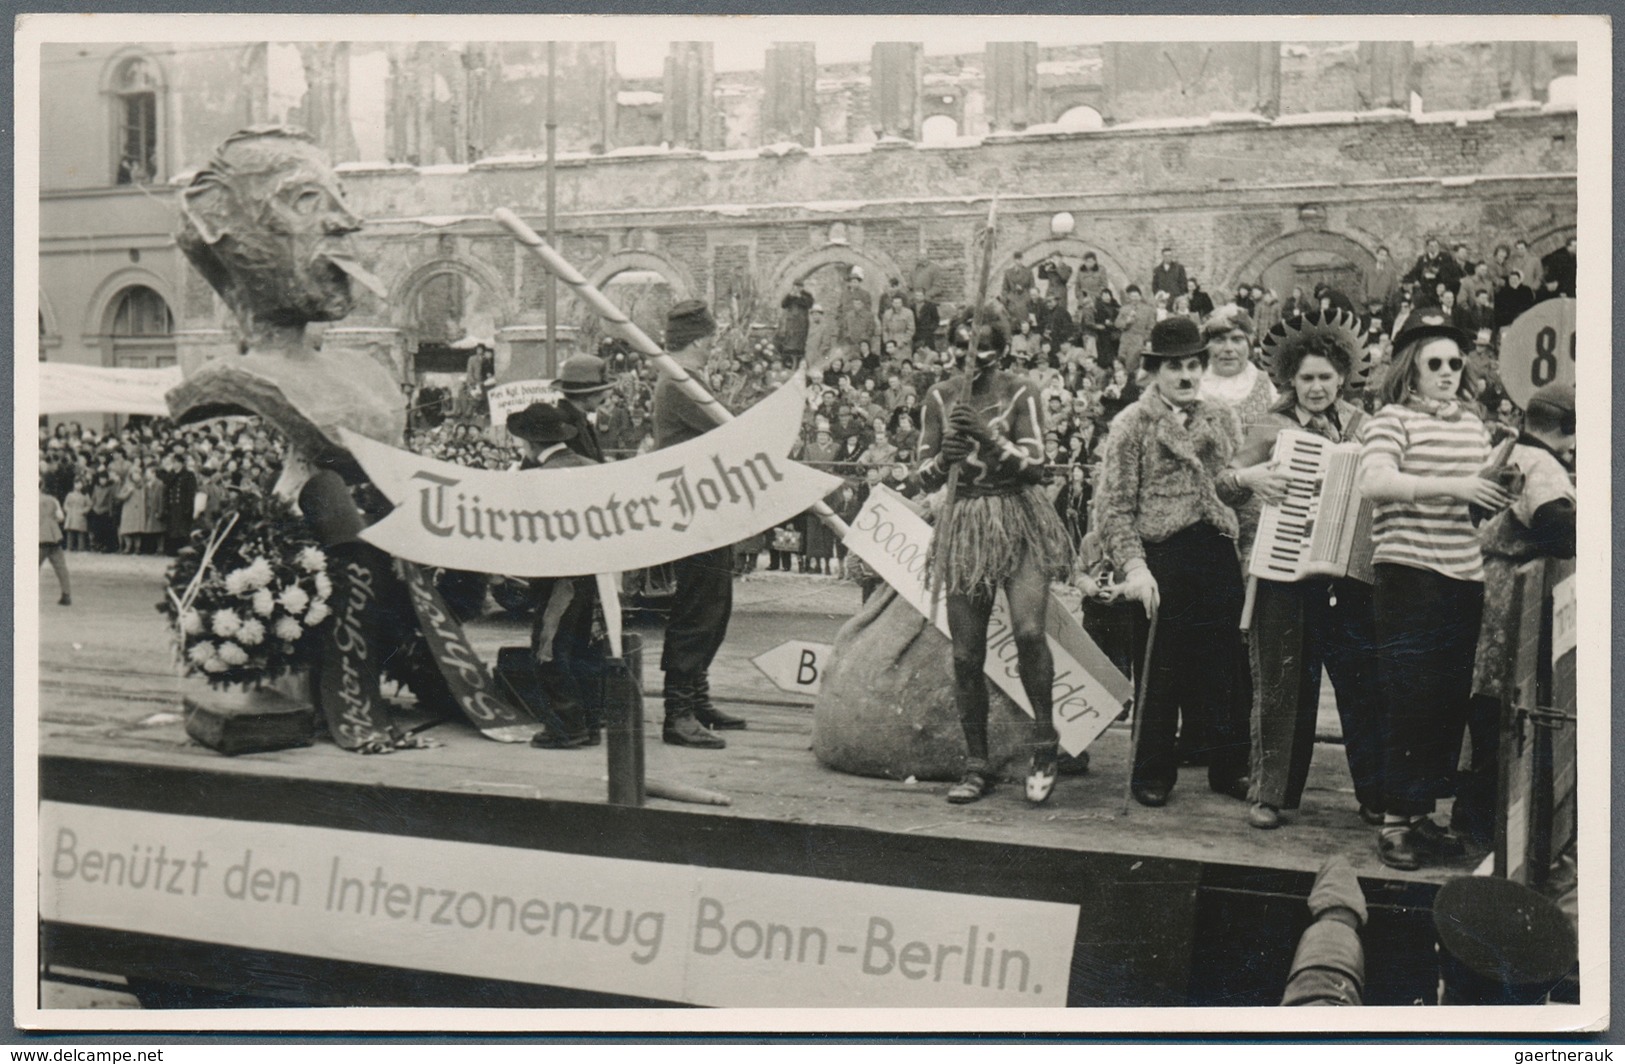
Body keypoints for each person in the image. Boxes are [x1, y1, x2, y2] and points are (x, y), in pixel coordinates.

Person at [1357, 309, 1511, 871]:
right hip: (1409, 574)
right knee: (1410, 697)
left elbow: (1476, 498)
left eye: (1455, 362)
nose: (1448, 371)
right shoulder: (1391, 420)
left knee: (1448, 704)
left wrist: (1496, 489)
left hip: (1464, 574)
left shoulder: (1472, 424)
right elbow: (1375, 481)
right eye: (1435, 363)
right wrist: (1457, 486)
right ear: (1411, 369)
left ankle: (1421, 818)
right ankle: (1395, 823)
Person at [1094, 316, 1265, 807]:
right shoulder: (1133, 424)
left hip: (1215, 548)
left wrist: (1249, 554)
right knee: (1160, 670)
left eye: (1194, 365)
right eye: (1175, 368)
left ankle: (1230, 765)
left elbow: (1243, 495)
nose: (1186, 376)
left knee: (1227, 667)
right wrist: (1135, 568)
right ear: (1155, 372)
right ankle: (1152, 771)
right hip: (1161, 555)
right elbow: (1116, 505)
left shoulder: (1221, 418)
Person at [915, 311, 1074, 805]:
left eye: (981, 348)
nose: (970, 359)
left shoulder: (1020, 391)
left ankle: (1045, 744)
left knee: (1029, 631)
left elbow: (1036, 466)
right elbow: (923, 473)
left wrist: (986, 437)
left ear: (1000, 351)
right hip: (965, 522)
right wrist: (946, 457)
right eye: (961, 347)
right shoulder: (939, 396)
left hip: (1018, 517)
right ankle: (976, 762)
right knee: (966, 654)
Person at [1242, 310, 1383, 830]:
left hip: (1350, 575)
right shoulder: (1271, 426)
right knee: (1281, 684)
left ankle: (1374, 792)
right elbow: (1224, 482)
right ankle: (1270, 793)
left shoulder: (1366, 425)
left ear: (1343, 377)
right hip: (1286, 572)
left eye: (1326, 376)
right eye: (1307, 378)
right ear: (1290, 380)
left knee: (1362, 684)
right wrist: (1250, 476)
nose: (1318, 387)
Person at [1455, 382, 1576, 847]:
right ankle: (1488, 823)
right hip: (1512, 593)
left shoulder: (1508, 447)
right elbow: (1559, 529)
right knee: (1504, 704)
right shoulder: (1541, 463)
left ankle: (1474, 815)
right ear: (1567, 427)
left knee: (1489, 701)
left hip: (1492, 580)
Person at [653, 300, 748, 747]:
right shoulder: (680, 385)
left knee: (715, 605)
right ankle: (678, 712)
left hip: (708, 509)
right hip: (693, 510)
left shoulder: (687, 381)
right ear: (695, 339)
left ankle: (696, 697)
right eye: (709, 338)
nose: (714, 345)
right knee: (697, 609)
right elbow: (728, 425)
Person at [507, 401, 605, 748]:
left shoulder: (535, 479)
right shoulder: (592, 467)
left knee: (548, 649)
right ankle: (590, 723)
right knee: (582, 651)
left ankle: (566, 725)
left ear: (532, 444)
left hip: (557, 579)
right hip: (589, 574)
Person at [552, 352, 615, 462]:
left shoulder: (577, 420)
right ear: (588, 396)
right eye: (601, 392)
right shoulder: (565, 424)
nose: (604, 397)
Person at [40, 481, 71, 606]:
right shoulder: (53, 500)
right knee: (61, 567)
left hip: (39, 536)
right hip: (54, 536)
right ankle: (66, 594)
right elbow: (60, 517)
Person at [777, 280, 814, 364]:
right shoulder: (790, 295)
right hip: (791, 323)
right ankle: (788, 361)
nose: (797, 288)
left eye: (799, 286)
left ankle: (798, 362)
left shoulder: (807, 295)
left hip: (801, 323)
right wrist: (790, 296)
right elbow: (783, 305)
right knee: (789, 342)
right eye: (795, 286)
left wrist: (800, 297)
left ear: (802, 287)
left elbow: (809, 304)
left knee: (799, 343)